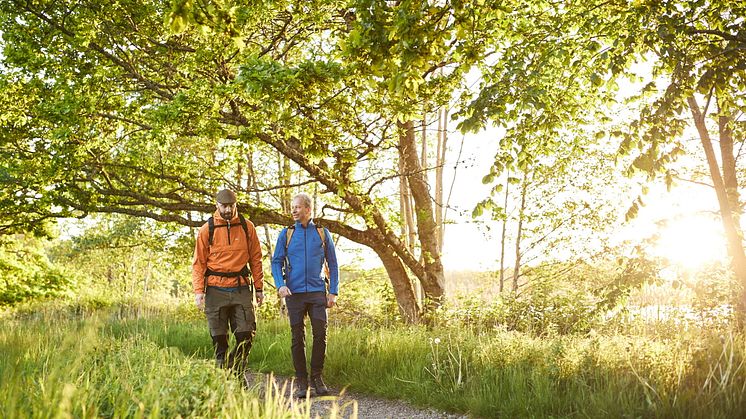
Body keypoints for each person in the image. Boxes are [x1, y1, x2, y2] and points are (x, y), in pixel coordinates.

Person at [271, 192, 339, 398]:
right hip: (294, 293)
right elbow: (276, 262)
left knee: (320, 334)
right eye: (292, 207)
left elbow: (333, 264)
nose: (293, 210)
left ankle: (317, 377)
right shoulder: (287, 234)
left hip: (318, 291)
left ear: (308, 210)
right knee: (297, 336)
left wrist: (333, 291)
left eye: (298, 207)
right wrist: (281, 285)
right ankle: (301, 382)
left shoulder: (322, 233)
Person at [192, 189, 264, 374]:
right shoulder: (207, 229)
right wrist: (199, 291)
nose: (227, 209)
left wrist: (259, 288)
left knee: (246, 334)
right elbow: (199, 263)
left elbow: (256, 259)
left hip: (241, 288)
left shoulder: (247, 227)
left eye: (231, 206)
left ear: (236, 205)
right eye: (224, 206)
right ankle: (222, 377)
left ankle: (238, 372)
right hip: (215, 290)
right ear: (217, 205)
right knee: (219, 338)